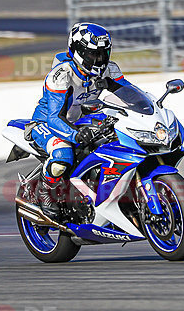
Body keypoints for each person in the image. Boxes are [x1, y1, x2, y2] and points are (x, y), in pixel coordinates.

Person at [30, 22, 130, 219]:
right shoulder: (62, 75)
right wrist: (76, 134)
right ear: (78, 52)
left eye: (103, 54)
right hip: (47, 124)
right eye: (93, 54)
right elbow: (54, 117)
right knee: (63, 153)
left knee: (117, 144)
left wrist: (149, 107)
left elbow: (129, 94)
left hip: (82, 121)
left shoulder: (110, 69)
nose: (99, 59)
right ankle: (44, 192)